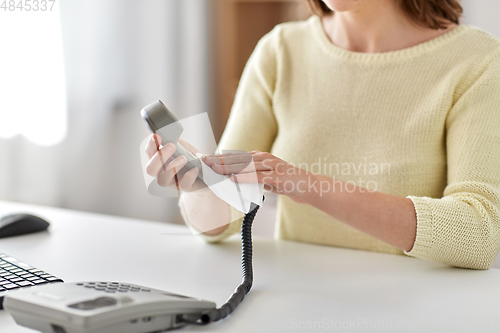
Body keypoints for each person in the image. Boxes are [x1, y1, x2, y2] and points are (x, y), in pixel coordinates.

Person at [145, 0, 500, 270]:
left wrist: (310, 187)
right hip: (306, 297)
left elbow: (478, 234)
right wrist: (199, 185)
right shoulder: (281, 50)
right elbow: (221, 224)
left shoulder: (477, 60)